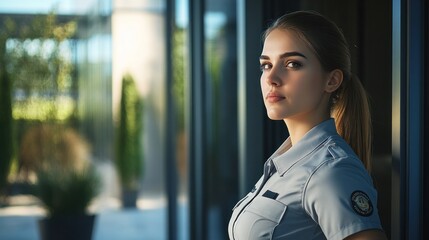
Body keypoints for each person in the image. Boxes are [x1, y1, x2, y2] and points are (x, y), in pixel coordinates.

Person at [228, 11, 387, 240]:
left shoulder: (331, 171)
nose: (272, 77)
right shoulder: (284, 163)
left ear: (331, 80)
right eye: (266, 65)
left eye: (292, 64)